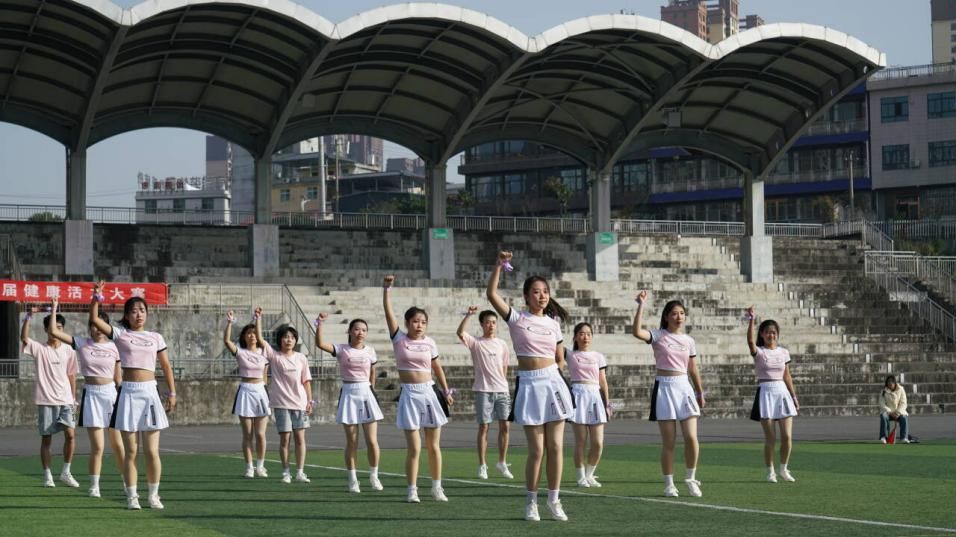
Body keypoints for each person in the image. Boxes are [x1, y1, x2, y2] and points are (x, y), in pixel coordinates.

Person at [486, 251, 571, 522]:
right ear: (526, 296)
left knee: (556, 447)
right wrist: (499, 266)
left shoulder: (553, 324)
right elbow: (491, 294)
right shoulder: (516, 318)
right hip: (530, 384)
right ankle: (531, 502)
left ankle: (554, 500)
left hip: (553, 383)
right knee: (537, 450)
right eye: (536, 292)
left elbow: (560, 356)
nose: (542, 296)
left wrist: (558, 371)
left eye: (545, 291)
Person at [90, 281, 177, 510]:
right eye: (134, 311)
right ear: (127, 316)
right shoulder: (120, 334)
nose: (139, 314)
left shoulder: (156, 337)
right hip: (128, 393)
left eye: (142, 310)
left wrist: (172, 392)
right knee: (131, 451)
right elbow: (96, 319)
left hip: (150, 393)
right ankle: (132, 497)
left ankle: (153, 495)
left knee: (152, 451)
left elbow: (166, 366)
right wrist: (96, 298)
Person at [383, 275, 454, 503]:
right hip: (410, 394)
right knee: (414, 448)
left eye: (423, 322)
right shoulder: (399, 339)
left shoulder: (430, 342)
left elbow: (437, 368)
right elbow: (389, 313)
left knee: (434, 446)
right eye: (415, 321)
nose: (419, 325)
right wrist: (387, 289)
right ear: (407, 323)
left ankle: (437, 487)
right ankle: (412, 490)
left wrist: (446, 391)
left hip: (429, 393)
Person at [48, 299, 125, 498]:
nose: (98, 330)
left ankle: (128, 483)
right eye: (94, 325)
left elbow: (118, 378)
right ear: (90, 327)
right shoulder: (82, 343)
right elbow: (54, 332)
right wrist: (55, 307)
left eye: (101, 325)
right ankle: (94, 486)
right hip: (92, 395)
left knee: (118, 446)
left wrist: (123, 396)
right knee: (98, 447)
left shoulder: (115, 347)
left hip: (111, 395)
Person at [632, 290, 705, 498]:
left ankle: (690, 478)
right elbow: (637, 332)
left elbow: (693, 368)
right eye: (674, 313)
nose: (678, 317)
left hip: (684, 388)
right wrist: (641, 305)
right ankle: (669, 484)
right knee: (669, 441)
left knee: (691, 438)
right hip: (664, 387)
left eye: (681, 313)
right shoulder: (658, 336)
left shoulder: (689, 341)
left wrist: (700, 391)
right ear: (666, 316)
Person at [315, 312, 384, 493]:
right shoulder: (342, 349)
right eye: (357, 329)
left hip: (366, 393)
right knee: (352, 441)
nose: (360, 333)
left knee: (372, 441)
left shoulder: (370, 351)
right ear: (350, 331)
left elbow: (373, 372)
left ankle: (374, 476)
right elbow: (320, 344)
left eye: (364, 330)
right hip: (349, 392)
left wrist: (372, 390)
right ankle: (353, 479)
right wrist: (319, 323)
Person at [20, 305, 79, 489]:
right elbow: (24, 338)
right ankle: (47, 475)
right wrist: (29, 316)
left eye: (59, 328)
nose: (55, 331)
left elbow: (71, 375)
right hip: (46, 400)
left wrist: (73, 398)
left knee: (71, 435)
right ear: (46, 330)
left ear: (62, 329)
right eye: (52, 328)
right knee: (47, 439)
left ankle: (66, 472)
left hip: (66, 400)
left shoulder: (69, 350)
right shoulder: (39, 348)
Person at [456, 306, 513, 480]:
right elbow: (460, 333)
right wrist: (468, 315)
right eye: (488, 322)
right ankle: (482, 465)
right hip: (483, 390)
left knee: (505, 426)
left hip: (502, 391)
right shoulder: (476, 343)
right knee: (484, 427)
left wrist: (502, 384)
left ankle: (502, 462)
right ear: (482, 324)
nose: (491, 325)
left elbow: (504, 366)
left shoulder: (502, 344)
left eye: (494, 322)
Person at [745, 306, 799, 483]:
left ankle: (783, 469)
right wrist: (751, 320)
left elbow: (787, 376)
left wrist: (794, 397)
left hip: (782, 392)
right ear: (762, 334)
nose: (771, 335)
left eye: (774, 332)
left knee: (787, 437)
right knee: (771, 437)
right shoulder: (760, 352)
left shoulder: (784, 352)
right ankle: (770, 471)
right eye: (767, 332)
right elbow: (750, 342)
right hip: (765, 392)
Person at [259, 322, 313, 484]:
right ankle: (286, 472)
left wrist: (310, 401)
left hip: (300, 403)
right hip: (281, 404)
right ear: (280, 340)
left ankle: (300, 472)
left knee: (300, 439)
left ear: (295, 340)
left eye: (291, 337)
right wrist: (258, 319)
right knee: (285, 440)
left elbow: (306, 381)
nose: (288, 340)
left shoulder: (301, 358)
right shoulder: (275, 357)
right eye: (285, 337)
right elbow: (261, 339)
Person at [223, 307, 270, 479]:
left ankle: (260, 466)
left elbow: (265, 376)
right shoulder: (240, 352)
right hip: (245, 391)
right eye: (248, 333)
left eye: (254, 333)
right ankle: (249, 467)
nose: (252, 336)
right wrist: (230, 322)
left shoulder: (264, 352)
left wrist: (258, 318)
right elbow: (227, 341)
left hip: (260, 391)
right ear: (244, 337)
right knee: (248, 434)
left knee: (260, 434)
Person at [566, 322, 610, 488]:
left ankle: (589, 474)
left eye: (588, 334)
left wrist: (607, 403)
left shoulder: (598, 356)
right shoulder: (570, 355)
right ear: (575, 337)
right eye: (582, 334)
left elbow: (603, 381)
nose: (585, 337)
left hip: (595, 396)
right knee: (581, 441)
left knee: (598, 443)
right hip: (578, 395)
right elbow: (554, 345)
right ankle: (580, 477)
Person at [879, 375, 909, 444]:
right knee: (883, 416)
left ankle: (904, 437)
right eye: (889, 382)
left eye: (892, 382)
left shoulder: (901, 389)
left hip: (898, 413)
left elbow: (903, 403)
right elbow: (882, 404)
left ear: (895, 383)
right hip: (888, 413)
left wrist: (897, 412)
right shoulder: (883, 391)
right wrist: (890, 412)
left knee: (904, 417)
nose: (890, 383)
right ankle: (884, 437)